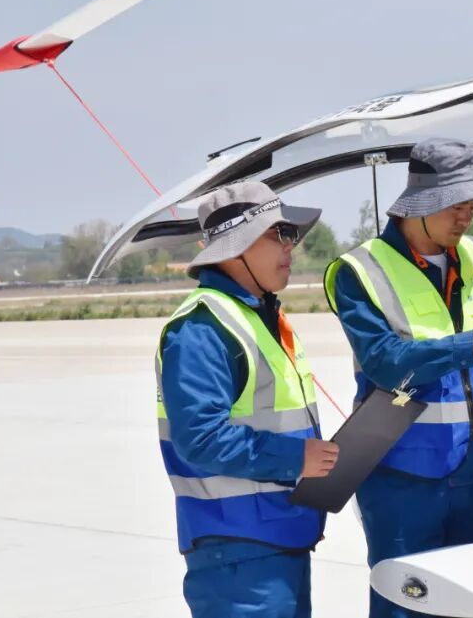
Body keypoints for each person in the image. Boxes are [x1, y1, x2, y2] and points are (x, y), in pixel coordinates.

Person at [324, 137, 473, 618]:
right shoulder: (358, 270)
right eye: (455, 205)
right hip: (400, 473)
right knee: (404, 603)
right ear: (419, 203)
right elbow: (385, 362)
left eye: (472, 206)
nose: (466, 218)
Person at [156, 180, 340, 618]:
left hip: (279, 534)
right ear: (235, 247)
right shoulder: (202, 328)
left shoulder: (259, 316)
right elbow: (200, 439)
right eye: (279, 234)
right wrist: (297, 458)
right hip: (238, 550)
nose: (290, 246)